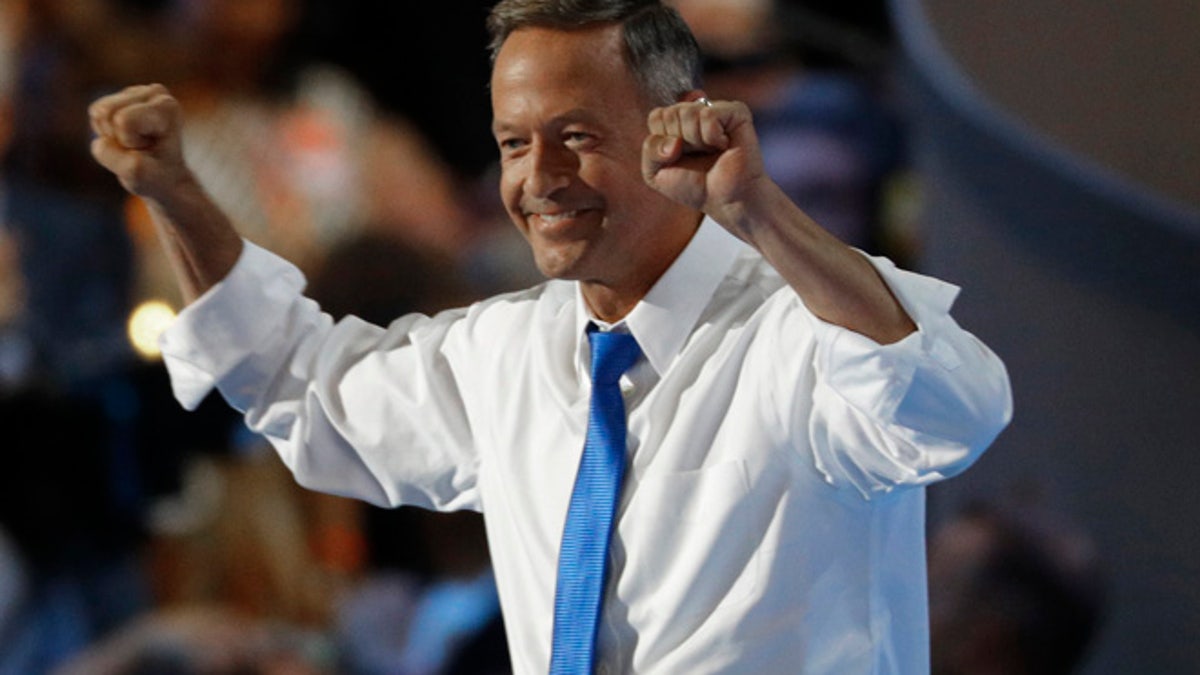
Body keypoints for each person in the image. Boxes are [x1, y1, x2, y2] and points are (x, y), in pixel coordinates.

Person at [88, 0, 1013, 672]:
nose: (541, 177)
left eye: (576, 135)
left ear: (676, 127)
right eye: (513, 143)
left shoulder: (797, 327)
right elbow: (292, 374)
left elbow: (951, 410)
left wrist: (760, 211)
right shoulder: (506, 355)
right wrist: (176, 194)